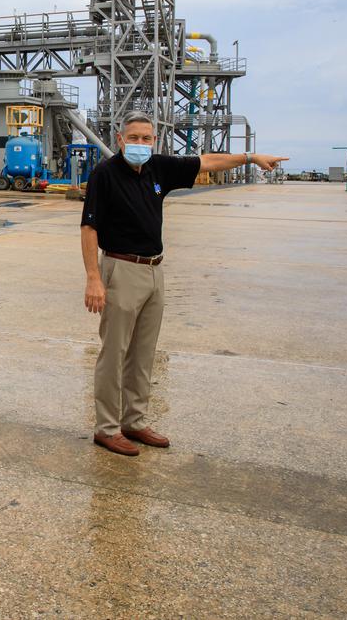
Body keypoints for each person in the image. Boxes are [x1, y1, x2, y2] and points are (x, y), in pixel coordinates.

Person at [80, 111, 287, 456]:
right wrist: (93, 278)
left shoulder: (159, 167)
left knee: (144, 353)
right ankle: (106, 428)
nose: (140, 144)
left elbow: (208, 161)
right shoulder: (105, 174)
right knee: (114, 353)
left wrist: (251, 157)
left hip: (154, 270)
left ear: (155, 140)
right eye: (134, 138)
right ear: (120, 140)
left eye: (147, 138)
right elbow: (89, 228)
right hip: (120, 268)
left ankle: (134, 421)